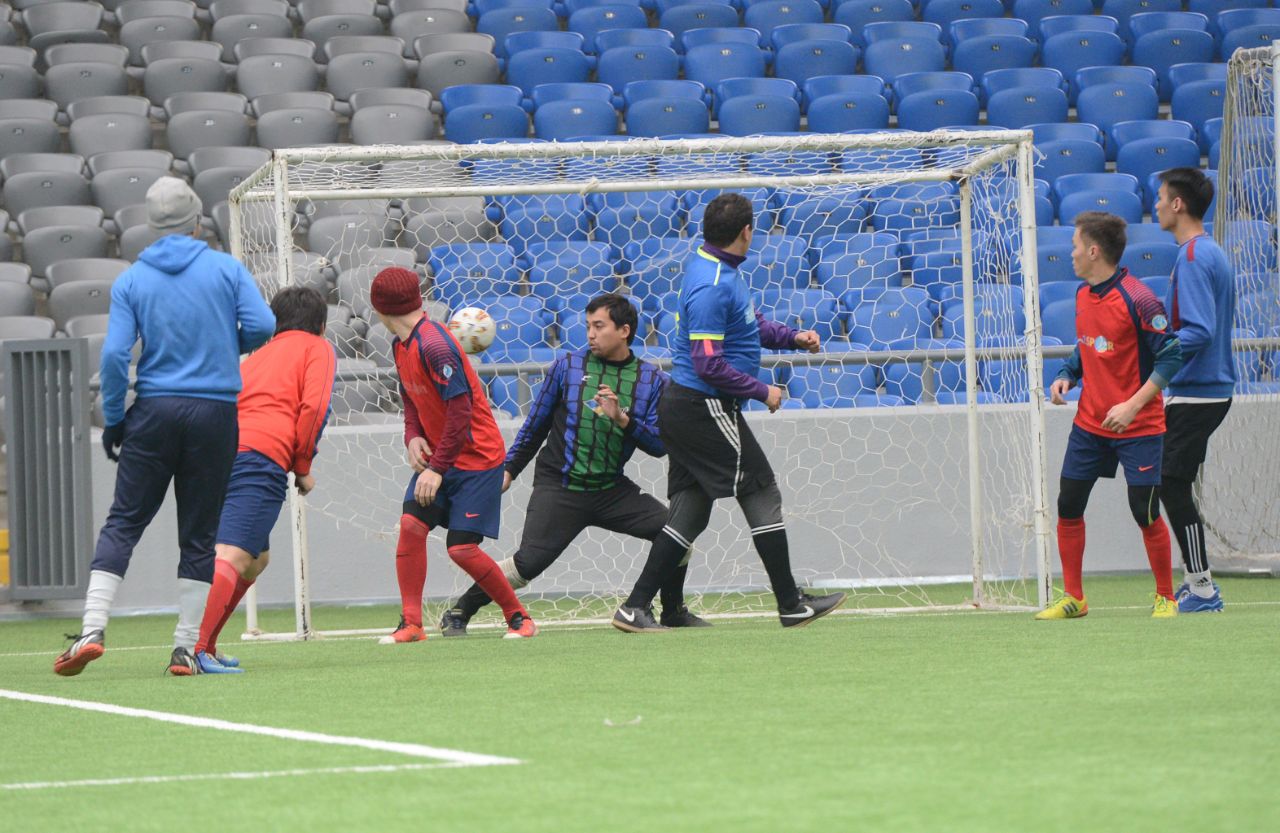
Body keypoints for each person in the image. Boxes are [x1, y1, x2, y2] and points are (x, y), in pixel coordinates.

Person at [53, 177, 276, 677]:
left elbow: (115, 356)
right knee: (198, 535)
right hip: (215, 413)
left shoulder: (133, 279)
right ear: (197, 221)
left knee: (124, 521)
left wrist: (115, 419)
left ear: (153, 225)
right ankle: (184, 649)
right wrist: (227, 345)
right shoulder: (225, 268)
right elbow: (263, 325)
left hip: (155, 411)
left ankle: (91, 630)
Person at [611, 193, 846, 633]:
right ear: (746, 232)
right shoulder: (712, 284)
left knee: (691, 511)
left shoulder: (717, 269)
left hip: (687, 407)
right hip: (702, 407)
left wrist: (792, 337)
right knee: (761, 488)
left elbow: (748, 324)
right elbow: (708, 364)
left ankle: (635, 606)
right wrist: (762, 391)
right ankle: (790, 603)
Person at [440, 293, 708, 635]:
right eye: (588, 326)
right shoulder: (567, 367)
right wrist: (509, 470)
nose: (590, 334)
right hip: (560, 486)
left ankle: (672, 610)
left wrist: (622, 419)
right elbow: (535, 426)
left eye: (599, 326)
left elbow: (658, 445)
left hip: (611, 489)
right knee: (527, 564)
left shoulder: (652, 380)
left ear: (624, 331)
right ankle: (460, 611)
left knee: (676, 533)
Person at [369, 266, 536, 641]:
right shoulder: (401, 344)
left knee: (461, 549)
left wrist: (436, 469)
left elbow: (461, 412)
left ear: (379, 309)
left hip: (477, 460)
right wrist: (412, 435)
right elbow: (410, 396)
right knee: (411, 527)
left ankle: (519, 618)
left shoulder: (435, 345)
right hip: (442, 456)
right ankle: (411, 624)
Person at [1039, 211, 1184, 620]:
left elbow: (1172, 356)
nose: (1070, 253)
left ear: (1093, 251)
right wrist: (1067, 374)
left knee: (1144, 511)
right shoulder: (1083, 295)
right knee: (1068, 504)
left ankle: (1166, 597)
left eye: (1074, 245)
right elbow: (1088, 344)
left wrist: (1132, 405)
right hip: (1090, 425)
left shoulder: (1140, 299)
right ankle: (1074, 598)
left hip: (1139, 426)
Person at [191, 287, 337, 673]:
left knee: (256, 560)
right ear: (322, 325)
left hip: (216, 453)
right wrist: (302, 466)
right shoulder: (318, 348)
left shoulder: (257, 357)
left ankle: (207, 645)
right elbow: (315, 408)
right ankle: (194, 650)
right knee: (233, 555)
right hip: (258, 455)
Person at [1153, 168, 1237, 613]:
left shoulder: (1192, 257)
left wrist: (1156, 356)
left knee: (1170, 482)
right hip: (1207, 388)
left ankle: (1202, 587)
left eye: (1161, 198)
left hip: (1198, 390)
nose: (1156, 205)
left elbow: (1199, 330)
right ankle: (1198, 583)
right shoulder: (1209, 251)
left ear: (1178, 204)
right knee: (1172, 482)